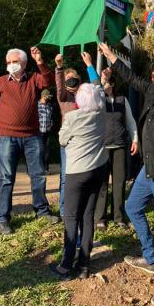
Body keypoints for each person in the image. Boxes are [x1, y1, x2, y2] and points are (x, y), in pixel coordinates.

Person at [98, 42, 154, 306]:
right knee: (132, 207)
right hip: (147, 170)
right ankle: (150, 259)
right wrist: (112, 57)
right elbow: (131, 77)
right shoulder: (152, 92)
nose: (152, 72)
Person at [0, 47, 59, 234]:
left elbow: (50, 81)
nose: (10, 65)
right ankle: (2, 218)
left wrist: (40, 61)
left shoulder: (33, 79)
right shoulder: (0, 82)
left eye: (14, 62)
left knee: (38, 175)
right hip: (6, 137)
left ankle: (42, 211)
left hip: (32, 137)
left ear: (23, 63)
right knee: (6, 178)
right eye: (8, 62)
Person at [50, 83, 108, 280]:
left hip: (77, 172)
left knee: (71, 217)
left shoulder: (72, 117)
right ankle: (84, 265)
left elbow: (62, 140)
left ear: (79, 100)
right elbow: (100, 89)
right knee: (88, 217)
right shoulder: (102, 114)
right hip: (98, 169)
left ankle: (66, 265)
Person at [94, 67, 139, 230]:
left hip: (120, 145)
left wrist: (135, 139)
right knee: (102, 183)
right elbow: (95, 88)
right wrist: (101, 79)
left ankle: (118, 216)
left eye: (110, 82)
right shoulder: (98, 99)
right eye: (106, 82)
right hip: (102, 146)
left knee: (119, 182)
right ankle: (100, 217)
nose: (108, 85)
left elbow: (130, 122)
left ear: (114, 84)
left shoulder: (122, 99)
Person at [54, 53, 84, 214]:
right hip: (67, 140)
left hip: (82, 140)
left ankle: (79, 206)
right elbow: (59, 88)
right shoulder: (63, 96)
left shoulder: (83, 95)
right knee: (66, 176)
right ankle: (64, 210)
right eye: (68, 79)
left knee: (81, 174)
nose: (71, 82)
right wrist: (59, 68)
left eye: (74, 79)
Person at [38, 89, 54, 174]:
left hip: (47, 132)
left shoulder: (49, 106)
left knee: (47, 151)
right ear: (44, 96)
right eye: (48, 97)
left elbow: (50, 117)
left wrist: (51, 125)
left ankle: (46, 169)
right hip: (39, 132)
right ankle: (39, 169)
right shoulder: (36, 105)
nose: (49, 99)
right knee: (39, 151)